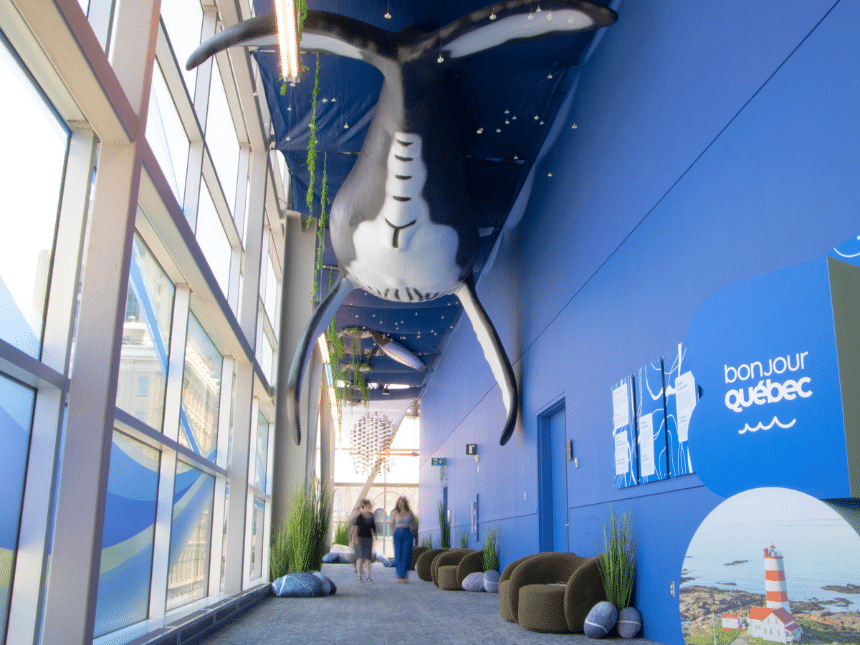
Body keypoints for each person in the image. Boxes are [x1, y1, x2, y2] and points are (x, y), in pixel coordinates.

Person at [350, 499, 377, 582]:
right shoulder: (360, 516)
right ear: (365, 506)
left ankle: (368, 577)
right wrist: (354, 538)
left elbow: (373, 526)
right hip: (360, 538)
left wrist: (375, 535)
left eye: (370, 506)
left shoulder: (371, 516)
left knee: (368, 558)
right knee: (360, 557)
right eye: (368, 505)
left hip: (369, 538)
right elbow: (356, 527)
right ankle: (359, 576)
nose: (369, 507)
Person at [390, 496, 414, 583]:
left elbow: (414, 523)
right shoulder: (395, 513)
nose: (401, 504)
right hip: (398, 533)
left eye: (402, 502)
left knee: (406, 555)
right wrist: (393, 532)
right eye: (399, 502)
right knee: (398, 554)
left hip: (407, 533)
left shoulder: (410, 512)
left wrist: (412, 531)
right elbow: (392, 523)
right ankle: (400, 575)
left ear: (405, 503)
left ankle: (404, 575)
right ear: (397, 503)